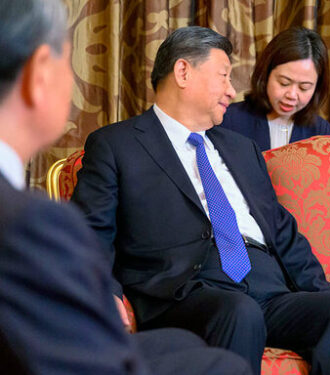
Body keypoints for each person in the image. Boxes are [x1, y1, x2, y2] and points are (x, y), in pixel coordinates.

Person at [71, 26, 330, 375]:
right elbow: (88, 232)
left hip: (267, 286)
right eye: (224, 76)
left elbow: (281, 229)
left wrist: (324, 291)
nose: (232, 91)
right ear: (183, 72)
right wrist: (102, 292)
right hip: (184, 291)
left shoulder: (240, 148)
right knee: (238, 312)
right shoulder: (117, 145)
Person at [0, 1, 251, 374]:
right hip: (160, 297)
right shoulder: (30, 221)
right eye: (67, 63)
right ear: (39, 74)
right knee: (224, 366)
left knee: (182, 343)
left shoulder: (238, 148)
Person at [221, 26, 330, 151]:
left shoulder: (320, 131)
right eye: (284, 83)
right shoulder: (230, 120)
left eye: (304, 87)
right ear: (266, 75)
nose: (292, 95)